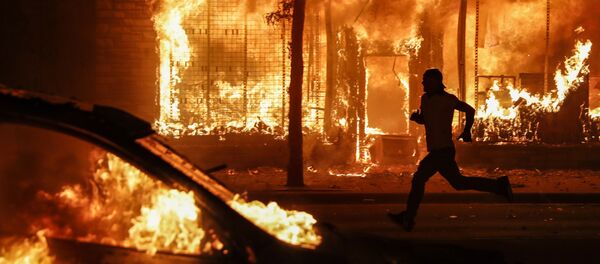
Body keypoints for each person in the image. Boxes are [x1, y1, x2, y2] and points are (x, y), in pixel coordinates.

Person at [388, 68, 513, 231]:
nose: (423, 83)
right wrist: (417, 118)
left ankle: (408, 218)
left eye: (426, 80)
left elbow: (470, 110)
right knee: (459, 183)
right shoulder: (425, 99)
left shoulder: (448, 99)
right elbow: (427, 120)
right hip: (437, 150)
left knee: (419, 179)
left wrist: (467, 130)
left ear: (435, 82)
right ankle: (499, 186)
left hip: (443, 150)